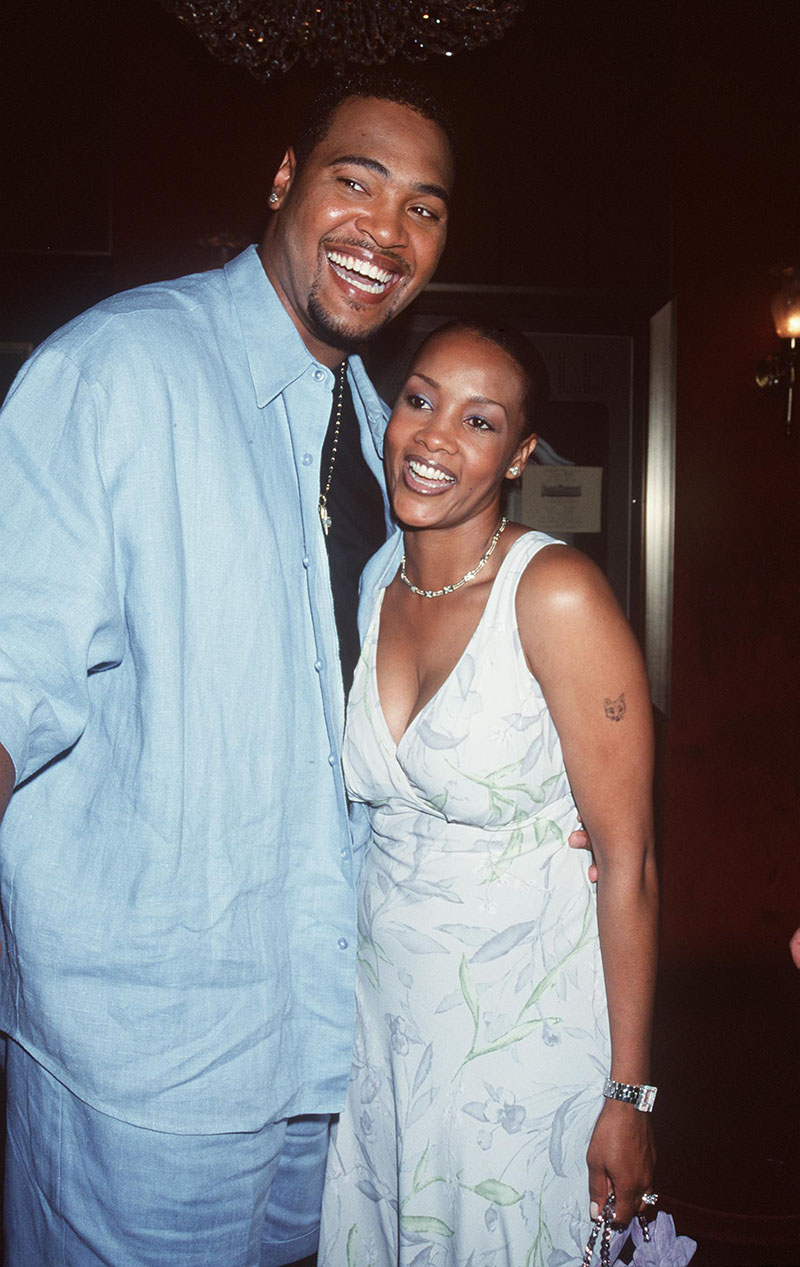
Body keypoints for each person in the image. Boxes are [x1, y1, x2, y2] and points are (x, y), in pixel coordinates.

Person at [0, 73, 454, 1267]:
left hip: (325, 1051)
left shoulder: (375, 424)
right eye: (355, 181)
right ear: (282, 181)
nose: (384, 231)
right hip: (144, 1060)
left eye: (423, 207)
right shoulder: (117, 368)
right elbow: (13, 664)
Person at [319, 320, 659, 1265]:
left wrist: (631, 1095)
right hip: (384, 1026)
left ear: (518, 456)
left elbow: (628, 860)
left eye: (479, 420)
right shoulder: (376, 577)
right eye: (421, 400)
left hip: (524, 1034)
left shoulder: (555, 594)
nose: (434, 437)